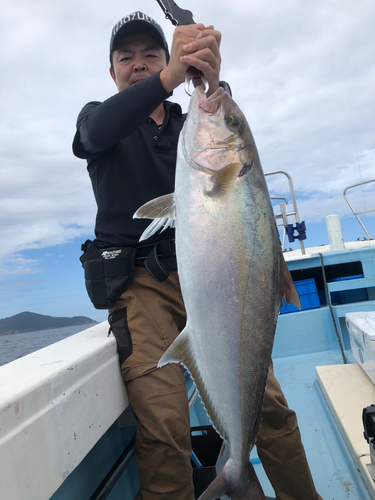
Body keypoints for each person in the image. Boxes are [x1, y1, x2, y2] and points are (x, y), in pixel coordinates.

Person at [73, 11, 322, 500]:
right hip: (143, 290)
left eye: (152, 55)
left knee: (270, 408)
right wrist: (168, 79)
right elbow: (97, 131)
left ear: (170, 61)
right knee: (165, 426)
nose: (139, 65)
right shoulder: (100, 120)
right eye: (127, 58)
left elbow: (239, 197)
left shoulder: (192, 125)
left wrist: (210, 79)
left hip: (217, 281)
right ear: (112, 72)